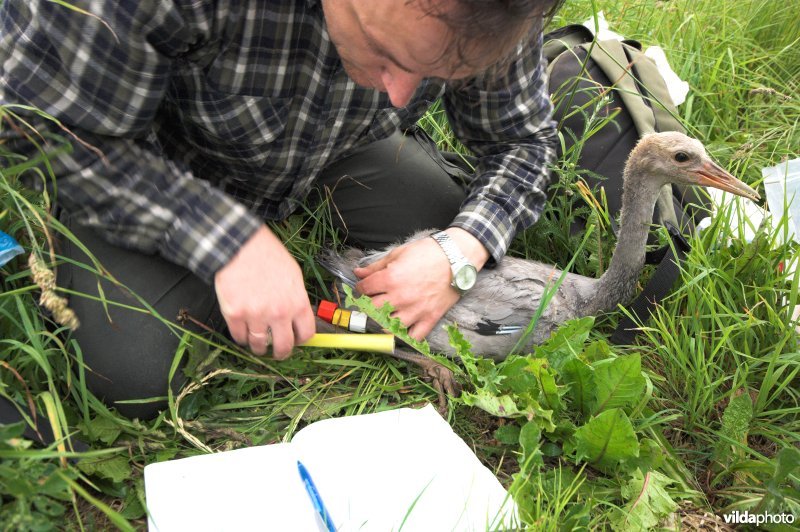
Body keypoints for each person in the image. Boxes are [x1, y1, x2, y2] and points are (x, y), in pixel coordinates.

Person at [0, 0, 561, 424]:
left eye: (438, 76)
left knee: (439, 214)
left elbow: (526, 141)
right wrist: (224, 241)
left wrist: (459, 249)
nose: (400, 97)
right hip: (145, 158)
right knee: (139, 371)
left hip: (329, 145)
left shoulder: (496, 10)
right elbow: (40, 128)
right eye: (385, 55)